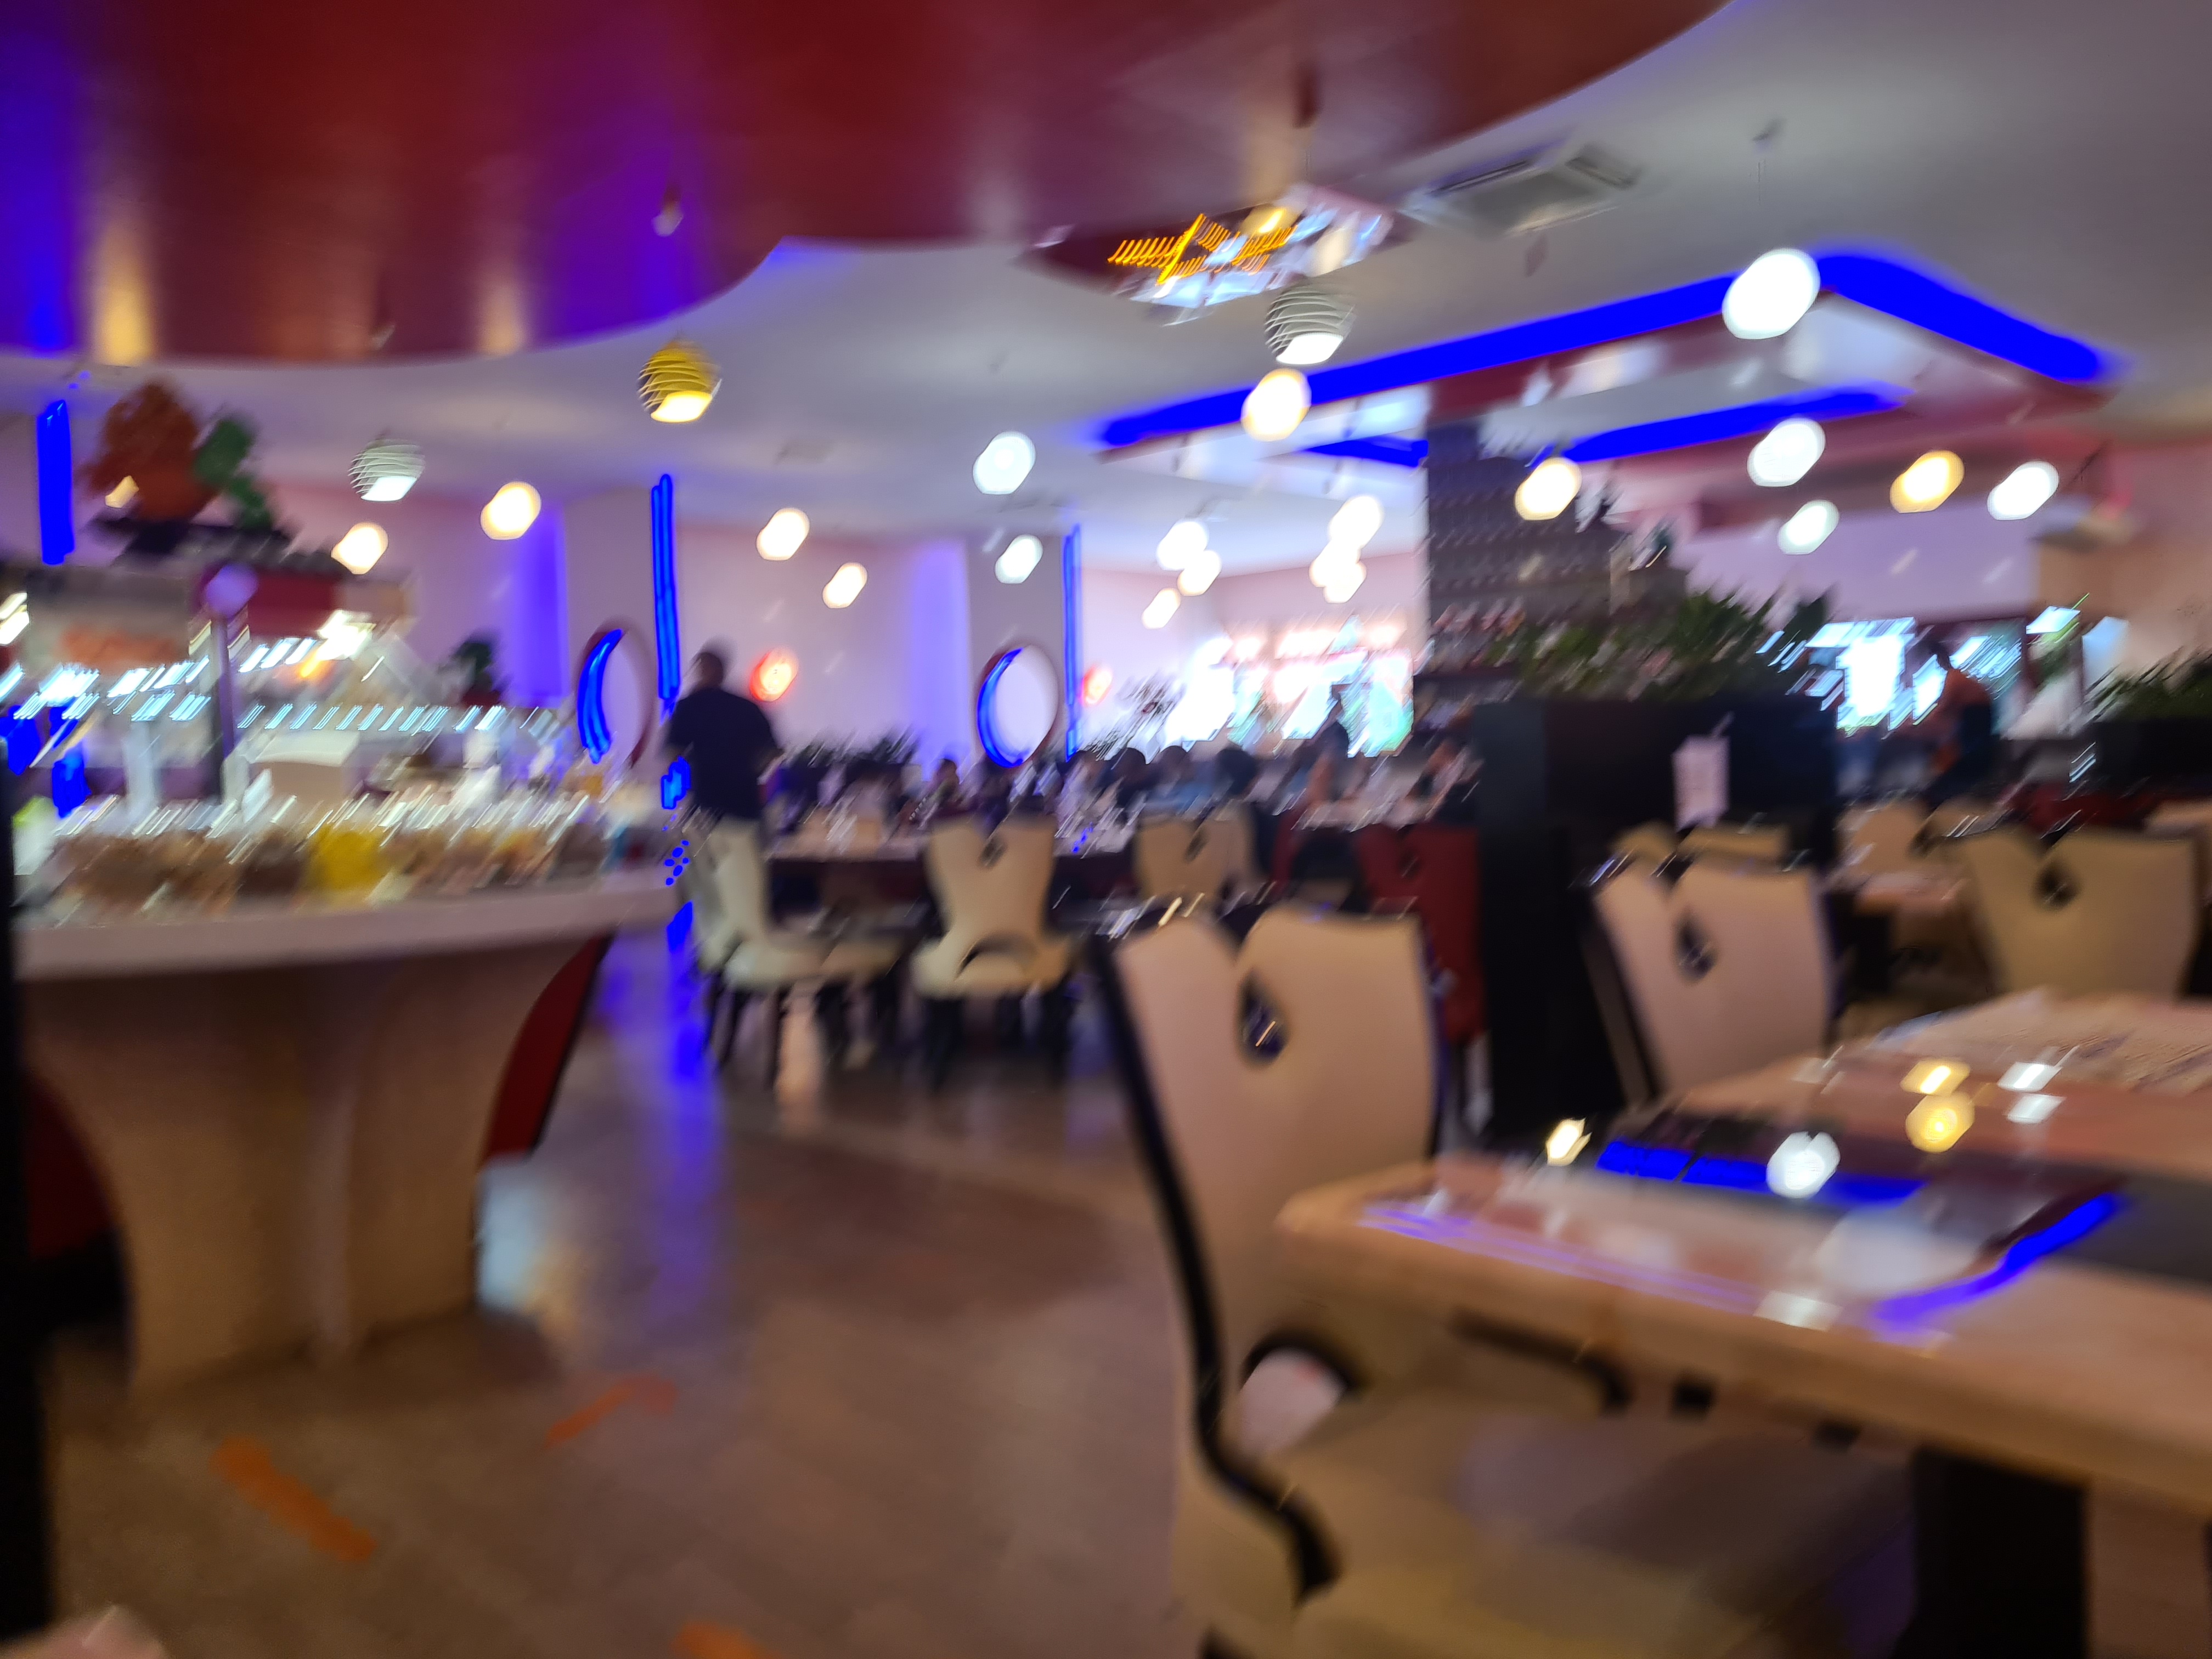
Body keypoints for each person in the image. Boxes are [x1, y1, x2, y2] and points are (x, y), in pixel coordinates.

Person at [663, 647, 780, 823]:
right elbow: (771, 753)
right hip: (746, 802)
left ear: (699, 671)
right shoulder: (747, 708)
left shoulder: (689, 706)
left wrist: (692, 765)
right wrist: (749, 771)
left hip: (707, 802)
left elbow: (673, 752)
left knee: (704, 840)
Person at [1914, 637, 1996, 806]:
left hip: (1976, 727)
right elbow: (1943, 711)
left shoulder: (1954, 679)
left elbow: (1942, 709)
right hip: (1976, 726)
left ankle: (1938, 798)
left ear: (1937, 660)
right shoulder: (1955, 678)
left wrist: (1918, 727)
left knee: (1962, 766)